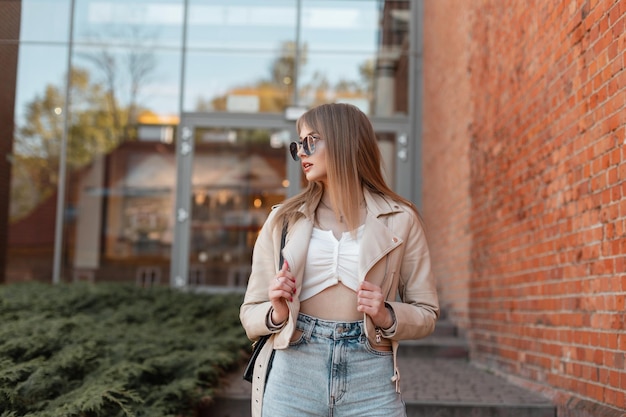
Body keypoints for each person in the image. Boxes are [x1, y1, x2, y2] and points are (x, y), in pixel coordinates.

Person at [240, 102, 439, 417]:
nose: (301, 152)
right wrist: (277, 313)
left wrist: (387, 314)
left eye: (311, 141)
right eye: (298, 145)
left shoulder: (401, 219)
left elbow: (427, 313)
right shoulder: (283, 220)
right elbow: (250, 312)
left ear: (345, 141)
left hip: (370, 372)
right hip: (295, 369)